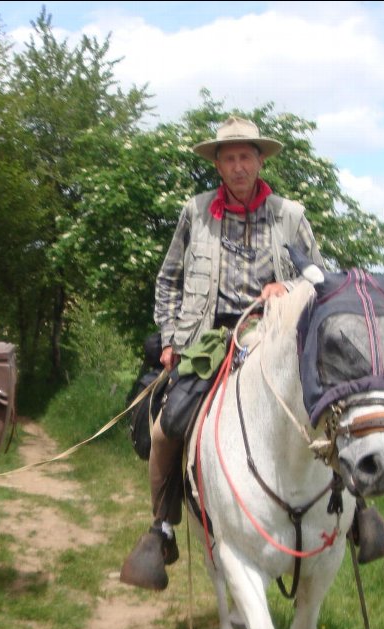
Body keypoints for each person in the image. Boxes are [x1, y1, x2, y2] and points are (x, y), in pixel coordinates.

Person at [121, 115, 325, 591]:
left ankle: (352, 519)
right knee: (167, 425)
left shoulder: (288, 215)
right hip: (206, 340)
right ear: (217, 164)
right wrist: (171, 338)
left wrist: (288, 284)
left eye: (245, 156)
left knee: (329, 407)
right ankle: (162, 527)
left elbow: (319, 279)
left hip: (271, 336)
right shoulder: (195, 213)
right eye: (228, 157)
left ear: (259, 160)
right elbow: (169, 278)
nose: (238, 166)